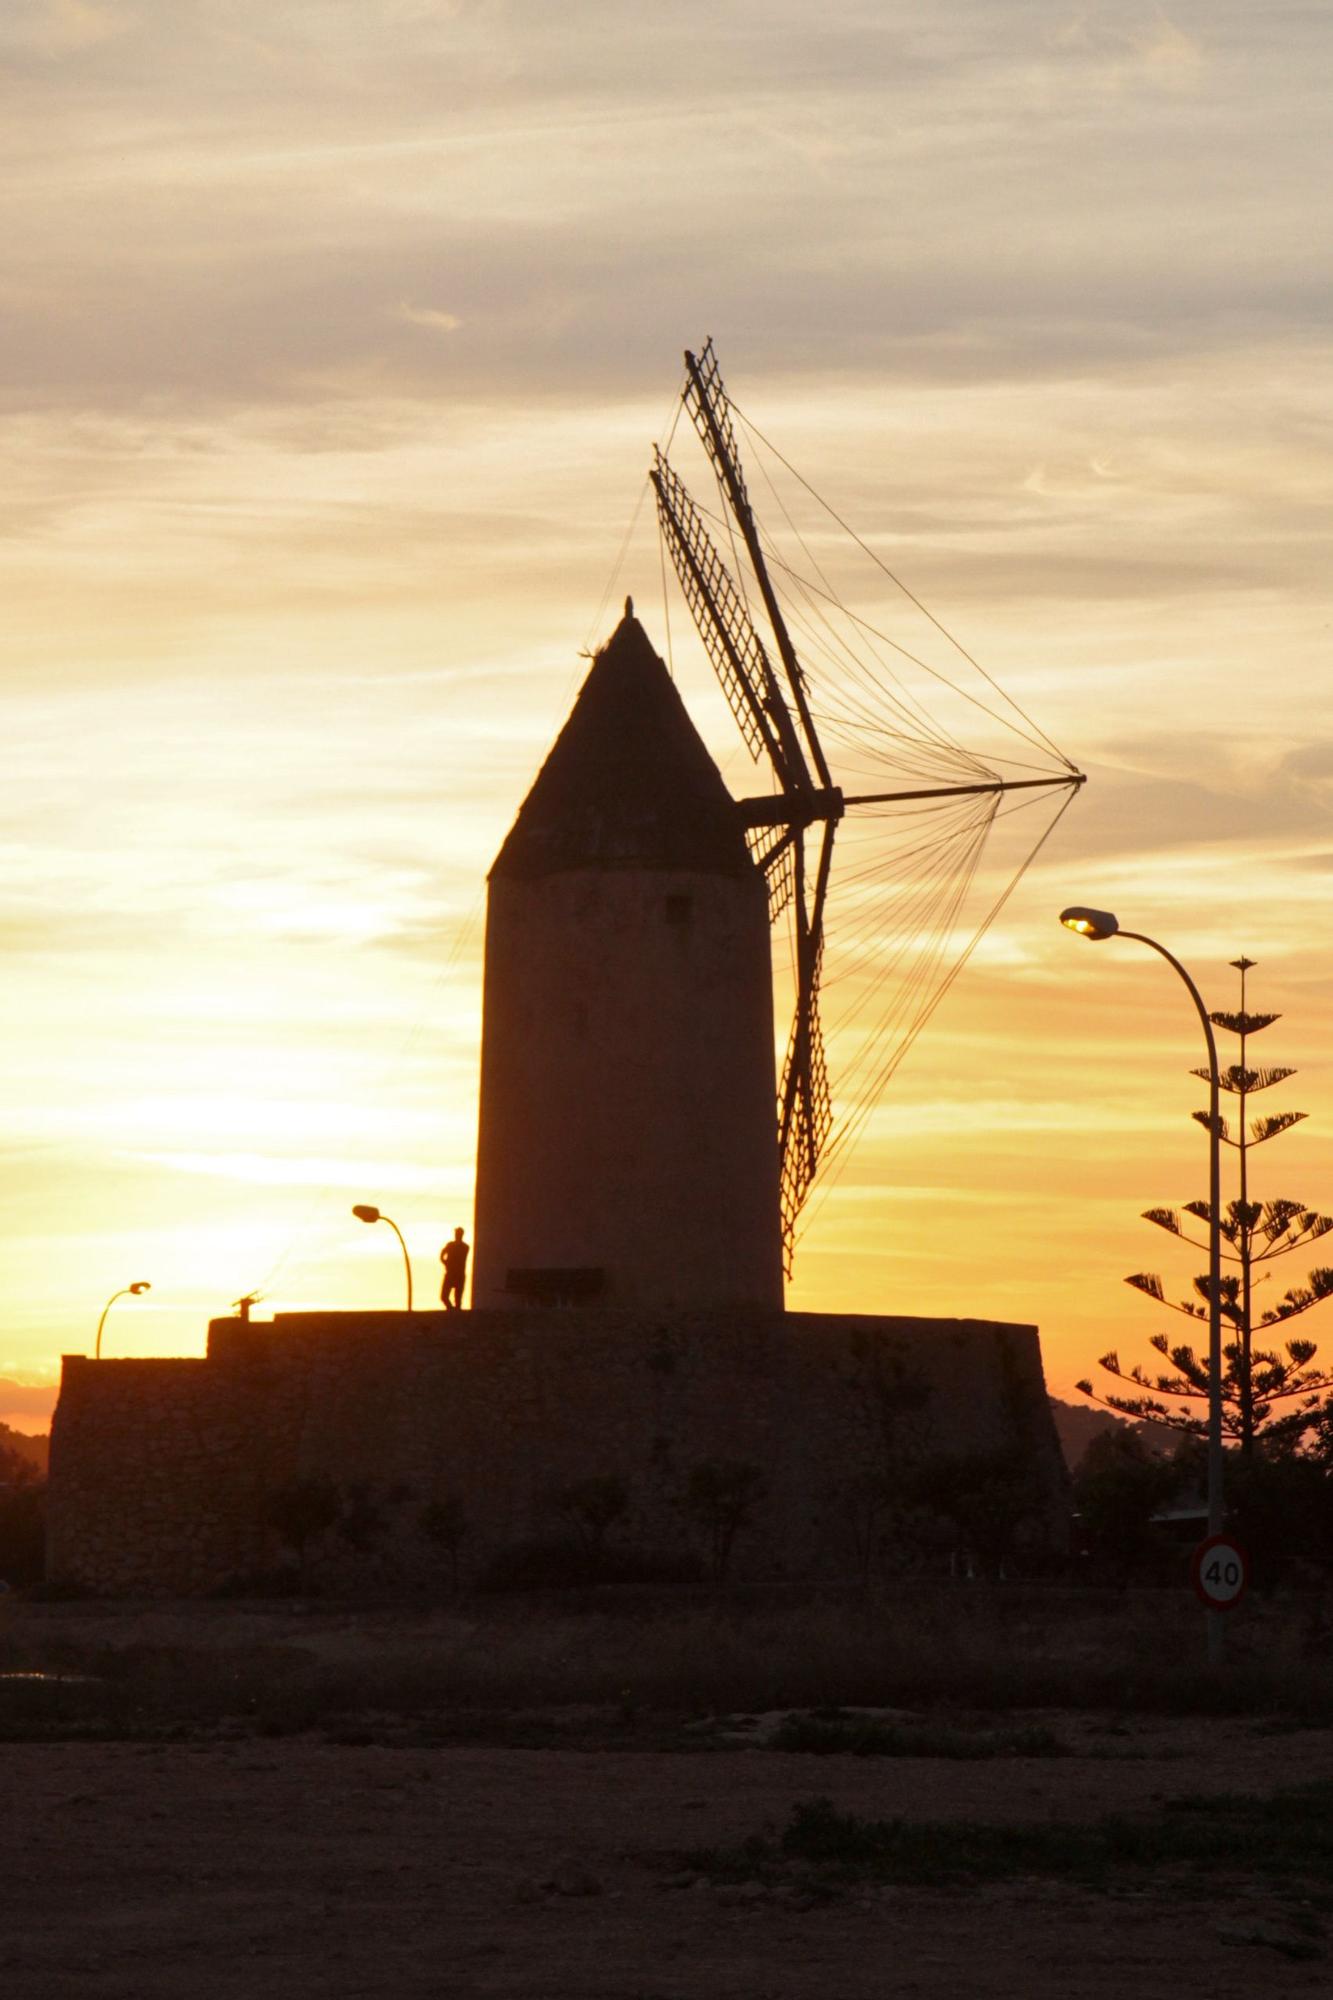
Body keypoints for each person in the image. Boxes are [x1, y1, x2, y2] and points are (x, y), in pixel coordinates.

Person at [439, 1228, 470, 1311]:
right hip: (451, 1274)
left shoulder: (465, 1247)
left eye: (458, 1234)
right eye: (456, 1233)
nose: (457, 1235)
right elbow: (442, 1254)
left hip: (458, 1275)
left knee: (457, 1299)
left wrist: (445, 1261)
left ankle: (454, 1313)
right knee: (444, 1296)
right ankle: (451, 1310)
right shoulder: (452, 1245)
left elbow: (444, 1253)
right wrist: (444, 1262)